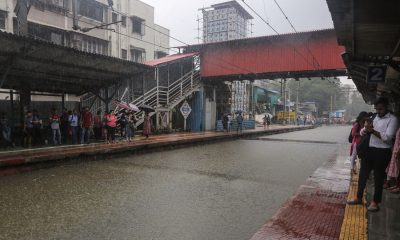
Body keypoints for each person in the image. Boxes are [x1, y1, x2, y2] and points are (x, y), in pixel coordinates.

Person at [347, 97, 399, 211]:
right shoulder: (374, 117)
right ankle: (358, 197)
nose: (378, 111)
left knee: (378, 177)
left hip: (382, 151)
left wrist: (372, 131)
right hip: (369, 150)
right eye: (376, 109)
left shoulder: (393, 119)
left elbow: (388, 137)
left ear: (387, 107)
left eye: (380, 109)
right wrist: (365, 129)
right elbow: (361, 132)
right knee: (363, 175)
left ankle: (375, 202)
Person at [386, 126, 400, 193]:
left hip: (398, 150)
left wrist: (398, 151)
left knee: (398, 169)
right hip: (396, 149)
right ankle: (397, 185)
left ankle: (398, 187)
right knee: (397, 168)